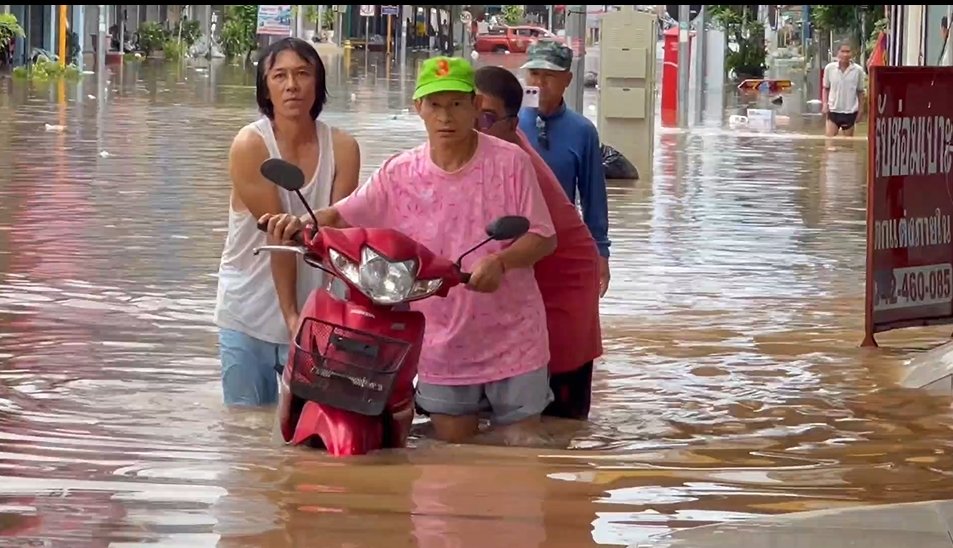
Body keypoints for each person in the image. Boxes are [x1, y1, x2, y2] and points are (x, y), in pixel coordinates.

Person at [260, 56, 558, 444]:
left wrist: (502, 260)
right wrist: (300, 223)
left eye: (456, 104)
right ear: (418, 108)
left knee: (522, 451)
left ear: (474, 106)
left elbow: (543, 235)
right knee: (452, 458)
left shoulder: (511, 163)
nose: (446, 117)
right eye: (435, 105)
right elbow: (343, 214)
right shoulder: (400, 172)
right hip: (440, 341)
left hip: (513, 336)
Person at [213, 37, 361, 407]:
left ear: (318, 82)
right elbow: (279, 238)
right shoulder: (251, 145)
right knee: (246, 431)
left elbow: (338, 233)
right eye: (279, 75)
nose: (292, 85)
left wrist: (323, 315)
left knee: (318, 435)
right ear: (265, 87)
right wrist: (292, 315)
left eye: (302, 74)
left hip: (319, 315)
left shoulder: (343, 147)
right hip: (249, 311)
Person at [473, 65, 603, 421]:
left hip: (564, 288)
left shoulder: (512, 161)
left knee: (560, 425)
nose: (471, 126)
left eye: (485, 117)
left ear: (511, 123)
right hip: (532, 286)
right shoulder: (488, 153)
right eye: (464, 109)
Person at [518, 40, 612, 297]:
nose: (539, 83)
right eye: (534, 74)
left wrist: (600, 252)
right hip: (511, 244)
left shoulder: (582, 131)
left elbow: (593, 198)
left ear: (567, 80)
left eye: (549, 75)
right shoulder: (506, 122)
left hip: (559, 242)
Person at [823, 41, 866, 137]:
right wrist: (825, 104)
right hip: (833, 110)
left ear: (852, 53)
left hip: (850, 112)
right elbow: (826, 88)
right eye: (842, 51)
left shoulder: (858, 70)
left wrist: (861, 110)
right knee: (830, 142)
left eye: (848, 51)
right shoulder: (829, 68)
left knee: (848, 145)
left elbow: (860, 91)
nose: (845, 54)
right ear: (837, 53)